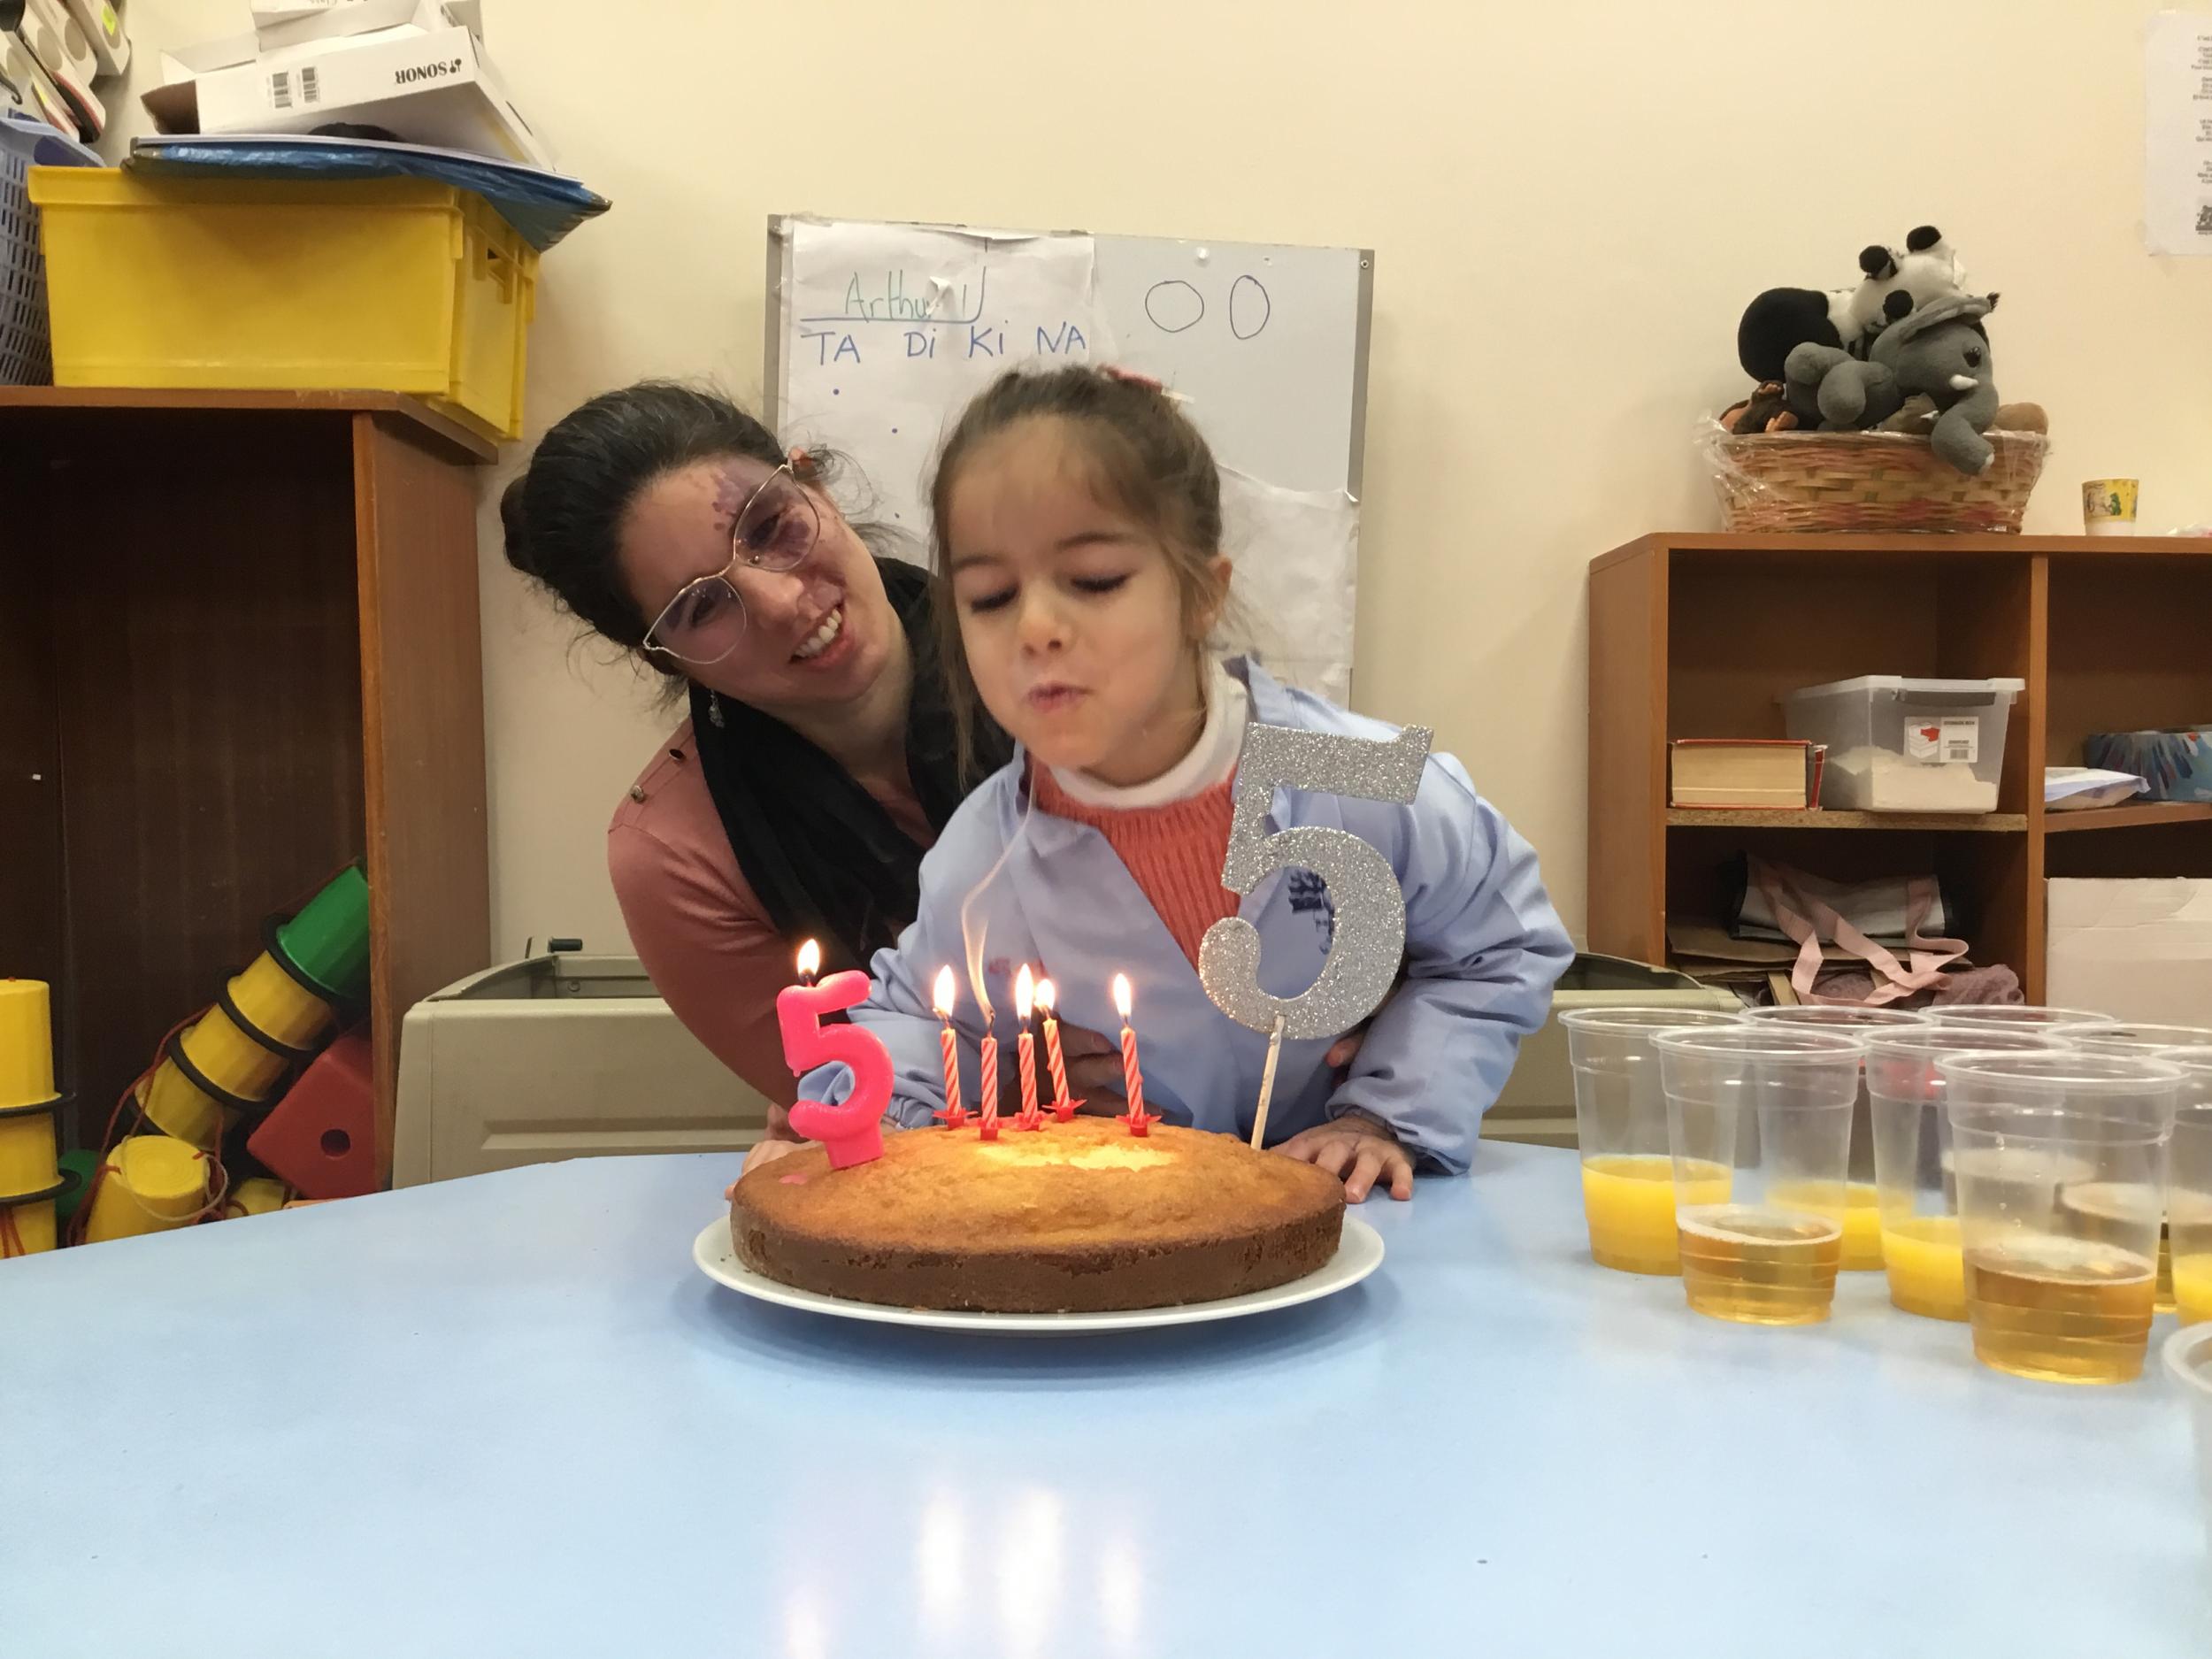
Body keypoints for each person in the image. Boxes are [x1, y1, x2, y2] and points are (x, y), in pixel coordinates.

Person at [789, 365, 1573, 1202]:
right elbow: (908, 1021)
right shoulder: (986, 854)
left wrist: (1386, 1111)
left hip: (1359, 1228)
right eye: (989, 597)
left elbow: (1505, 942)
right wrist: (888, 1115)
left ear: (1202, 592)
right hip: (1127, 1241)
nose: (1037, 627)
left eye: (1095, 580)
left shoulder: (1360, 776)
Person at [500, 382, 1026, 1131]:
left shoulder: (1065, 658)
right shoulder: (679, 857)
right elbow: (864, 1116)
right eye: (701, 606)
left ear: (814, 485)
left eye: (772, 527)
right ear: (666, 659)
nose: (781, 603)